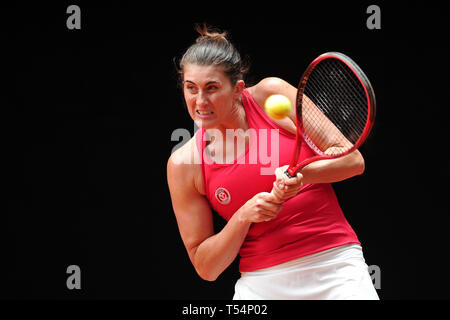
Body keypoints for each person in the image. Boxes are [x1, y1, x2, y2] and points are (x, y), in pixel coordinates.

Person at [167, 24, 379, 300]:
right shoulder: (184, 164)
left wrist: (304, 176)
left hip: (335, 264)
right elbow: (206, 267)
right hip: (262, 283)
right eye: (191, 88)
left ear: (237, 89)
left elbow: (352, 160)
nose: (200, 101)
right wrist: (244, 216)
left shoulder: (271, 94)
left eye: (212, 88)